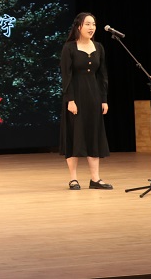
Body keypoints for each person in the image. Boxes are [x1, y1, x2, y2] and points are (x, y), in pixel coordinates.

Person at [59, 12, 112, 190]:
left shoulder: (99, 47)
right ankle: (73, 179)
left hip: (94, 97)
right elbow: (66, 76)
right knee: (74, 135)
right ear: (79, 26)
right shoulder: (69, 48)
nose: (91, 27)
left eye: (94, 24)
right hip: (76, 97)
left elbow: (102, 75)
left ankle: (95, 179)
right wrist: (70, 100)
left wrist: (103, 99)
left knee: (93, 135)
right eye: (88, 24)